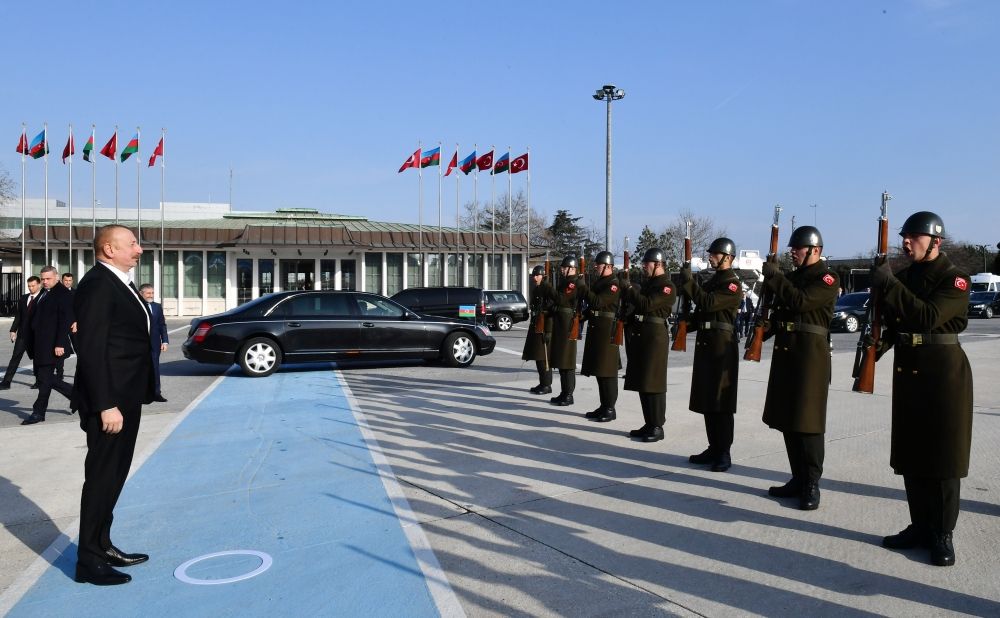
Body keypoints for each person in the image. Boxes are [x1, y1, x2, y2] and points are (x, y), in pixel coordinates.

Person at [870, 211, 973, 567]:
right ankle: (919, 526)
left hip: (944, 374)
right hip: (910, 368)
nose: (906, 242)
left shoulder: (955, 278)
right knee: (913, 451)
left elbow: (928, 316)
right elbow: (897, 319)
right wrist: (876, 345)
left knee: (943, 456)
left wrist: (889, 285)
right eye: (905, 236)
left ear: (935, 242)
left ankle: (942, 534)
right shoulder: (905, 276)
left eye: (914, 237)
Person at [73, 224, 155, 586]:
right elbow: (91, 349)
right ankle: (88, 561)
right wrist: (106, 404)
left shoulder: (120, 282)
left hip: (126, 396)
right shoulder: (97, 285)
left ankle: (102, 544)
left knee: (115, 476)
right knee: (102, 477)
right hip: (111, 402)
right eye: (133, 244)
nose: (139, 249)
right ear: (109, 249)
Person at [761, 226, 839, 510]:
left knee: (808, 423)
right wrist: (762, 331)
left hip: (810, 356)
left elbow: (800, 301)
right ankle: (797, 477)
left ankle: (811, 483)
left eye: (798, 249)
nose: (792, 253)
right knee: (788, 420)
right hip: (787, 352)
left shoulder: (827, 278)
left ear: (815, 250)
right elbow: (781, 311)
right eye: (792, 248)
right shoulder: (791, 277)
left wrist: (776, 277)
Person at [680, 238, 742, 471]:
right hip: (707, 344)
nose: (711, 257)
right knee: (708, 399)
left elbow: (707, 303)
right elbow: (701, 312)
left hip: (721, 347)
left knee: (721, 402)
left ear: (728, 257)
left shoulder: (732, 284)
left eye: (715, 254)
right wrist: (687, 323)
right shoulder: (713, 281)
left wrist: (688, 282)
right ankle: (713, 447)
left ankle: (724, 451)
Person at [620, 248, 675, 443]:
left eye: (647, 263)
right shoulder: (648, 284)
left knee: (654, 382)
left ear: (658, 264)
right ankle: (649, 422)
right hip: (642, 334)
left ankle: (657, 425)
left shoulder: (666, 286)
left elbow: (646, 305)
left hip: (655, 337)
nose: (644, 266)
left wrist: (629, 289)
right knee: (644, 381)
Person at [21, 267, 75, 425]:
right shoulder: (45, 293)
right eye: (43, 279)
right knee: (44, 379)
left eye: (48, 279)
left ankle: (38, 412)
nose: (44, 281)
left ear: (56, 277)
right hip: (40, 344)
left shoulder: (63, 293)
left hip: (52, 345)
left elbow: (64, 320)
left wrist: (59, 343)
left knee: (44, 378)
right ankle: (76, 395)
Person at [580, 251, 622, 422]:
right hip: (597, 329)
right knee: (599, 370)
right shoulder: (602, 282)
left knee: (607, 371)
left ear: (608, 266)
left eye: (599, 264)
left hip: (607, 330)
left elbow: (597, 302)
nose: (596, 267)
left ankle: (610, 408)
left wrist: (583, 289)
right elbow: (593, 307)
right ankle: (604, 405)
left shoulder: (613, 284)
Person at [549, 256, 586, 406]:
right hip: (561, 324)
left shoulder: (573, 283)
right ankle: (564, 392)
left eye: (564, 267)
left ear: (572, 268)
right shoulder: (566, 282)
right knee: (561, 360)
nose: (562, 270)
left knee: (567, 361)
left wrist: (549, 290)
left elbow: (561, 299)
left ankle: (568, 394)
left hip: (568, 325)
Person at [0, 276, 41, 390]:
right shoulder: (23, 298)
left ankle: (39, 381)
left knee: (37, 358)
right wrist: (13, 330)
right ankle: (6, 382)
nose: (31, 288)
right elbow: (19, 316)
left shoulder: (44, 298)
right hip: (23, 334)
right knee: (15, 357)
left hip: (36, 335)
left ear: (39, 285)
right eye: (29, 286)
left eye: (33, 286)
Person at [522, 265, 555, 394]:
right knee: (537, 356)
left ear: (543, 276)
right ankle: (543, 383)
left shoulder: (548, 288)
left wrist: (549, 330)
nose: (535, 278)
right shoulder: (537, 289)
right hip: (536, 324)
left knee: (543, 357)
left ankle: (547, 385)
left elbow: (551, 311)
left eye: (537, 275)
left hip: (544, 326)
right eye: (534, 275)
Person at [139, 284, 169, 403]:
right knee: (140, 369)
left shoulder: (157, 307)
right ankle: (141, 394)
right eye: (148, 293)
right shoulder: (136, 306)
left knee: (155, 368)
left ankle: (156, 393)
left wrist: (165, 341)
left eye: (152, 293)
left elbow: (162, 325)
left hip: (155, 343)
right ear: (141, 293)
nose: (151, 295)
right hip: (140, 344)